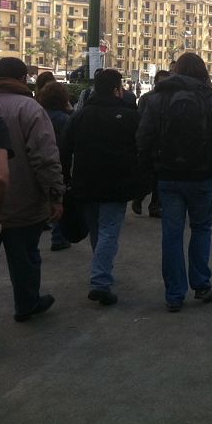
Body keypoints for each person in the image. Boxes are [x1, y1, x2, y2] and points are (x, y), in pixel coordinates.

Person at [136, 53, 212, 312]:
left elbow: (143, 138)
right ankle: (201, 284)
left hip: (168, 176)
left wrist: (152, 168)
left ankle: (174, 294)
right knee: (201, 229)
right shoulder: (211, 100)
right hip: (202, 177)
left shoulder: (157, 98)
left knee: (172, 233)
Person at [61, 69, 145, 306]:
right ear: (117, 89)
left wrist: (66, 179)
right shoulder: (129, 116)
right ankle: (100, 281)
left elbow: (64, 149)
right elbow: (141, 148)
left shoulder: (80, 116)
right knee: (108, 230)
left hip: (85, 182)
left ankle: (101, 268)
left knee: (97, 229)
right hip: (116, 183)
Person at [0, 57, 63, 322]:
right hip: (22, 202)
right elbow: (45, 157)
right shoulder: (30, 108)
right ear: (24, 79)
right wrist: (55, 195)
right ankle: (26, 304)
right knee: (24, 258)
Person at [36, 81, 74, 251]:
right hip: (60, 162)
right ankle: (58, 237)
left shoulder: (38, 115)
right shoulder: (66, 119)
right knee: (58, 197)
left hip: (38, 160)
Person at [133, 70, 171, 218]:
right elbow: (140, 120)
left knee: (158, 178)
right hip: (149, 143)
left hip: (163, 144)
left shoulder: (171, 99)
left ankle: (155, 206)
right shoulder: (146, 98)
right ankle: (138, 198)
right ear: (155, 82)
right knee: (146, 177)